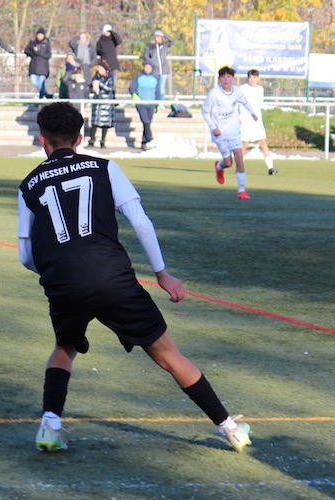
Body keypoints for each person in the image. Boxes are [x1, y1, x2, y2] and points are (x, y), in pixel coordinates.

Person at [17, 101, 252, 453]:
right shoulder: (105, 168)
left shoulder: (28, 184)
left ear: (42, 140)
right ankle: (231, 428)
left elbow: (26, 254)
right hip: (112, 276)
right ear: (80, 138)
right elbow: (140, 222)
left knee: (64, 348)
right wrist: (162, 274)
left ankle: (50, 425)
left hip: (63, 282)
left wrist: (55, 272)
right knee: (167, 354)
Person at [202, 65, 256, 200]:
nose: (226, 79)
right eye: (223, 77)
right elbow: (205, 111)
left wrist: (252, 113)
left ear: (233, 78)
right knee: (228, 162)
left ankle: (242, 190)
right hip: (219, 132)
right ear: (219, 79)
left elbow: (245, 102)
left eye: (228, 76)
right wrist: (214, 127)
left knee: (239, 155)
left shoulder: (237, 91)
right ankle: (219, 167)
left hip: (233, 130)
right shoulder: (214, 93)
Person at [238, 68, 276, 174]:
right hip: (245, 119)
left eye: (254, 77)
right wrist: (238, 117)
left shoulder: (260, 89)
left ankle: (270, 167)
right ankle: (239, 167)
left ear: (258, 78)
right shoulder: (242, 88)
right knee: (244, 144)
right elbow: (238, 104)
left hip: (256, 120)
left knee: (263, 142)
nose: (252, 80)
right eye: (250, 77)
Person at [129, 62, 159, 150]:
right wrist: (134, 95)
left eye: (148, 67)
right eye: (146, 67)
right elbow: (132, 88)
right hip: (141, 103)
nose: (147, 69)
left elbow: (157, 92)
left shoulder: (155, 78)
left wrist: (157, 104)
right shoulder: (139, 77)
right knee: (145, 121)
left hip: (151, 104)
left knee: (148, 123)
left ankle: (144, 142)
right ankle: (150, 138)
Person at [89, 60, 115, 149]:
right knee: (94, 123)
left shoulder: (110, 77)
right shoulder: (96, 77)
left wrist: (100, 84)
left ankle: (103, 141)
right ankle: (92, 140)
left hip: (106, 104)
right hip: (97, 103)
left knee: (105, 124)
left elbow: (110, 88)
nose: (98, 69)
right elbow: (90, 87)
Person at [141, 29, 173, 97]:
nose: (158, 38)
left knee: (162, 88)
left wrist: (165, 34)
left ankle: (160, 103)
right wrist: (151, 62)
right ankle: (154, 102)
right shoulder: (150, 46)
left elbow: (172, 41)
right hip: (155, 70)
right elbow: (145, 55)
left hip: (164, 70)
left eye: (160, 36)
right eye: (157, 36)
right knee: (155, 87)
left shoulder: (165, 45)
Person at [24, 27, 52, 99]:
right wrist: (33, 53)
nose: (39, 36)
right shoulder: (32, 42)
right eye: (38, 34)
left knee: (41, 83)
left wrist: (39, 53)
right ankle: (45, 94)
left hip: (43, 68)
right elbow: (26, 50)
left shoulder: (46, 43)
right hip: (34, 67)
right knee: (34, 82)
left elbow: (48, 55)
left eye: (41, 34)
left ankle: (41, 99)